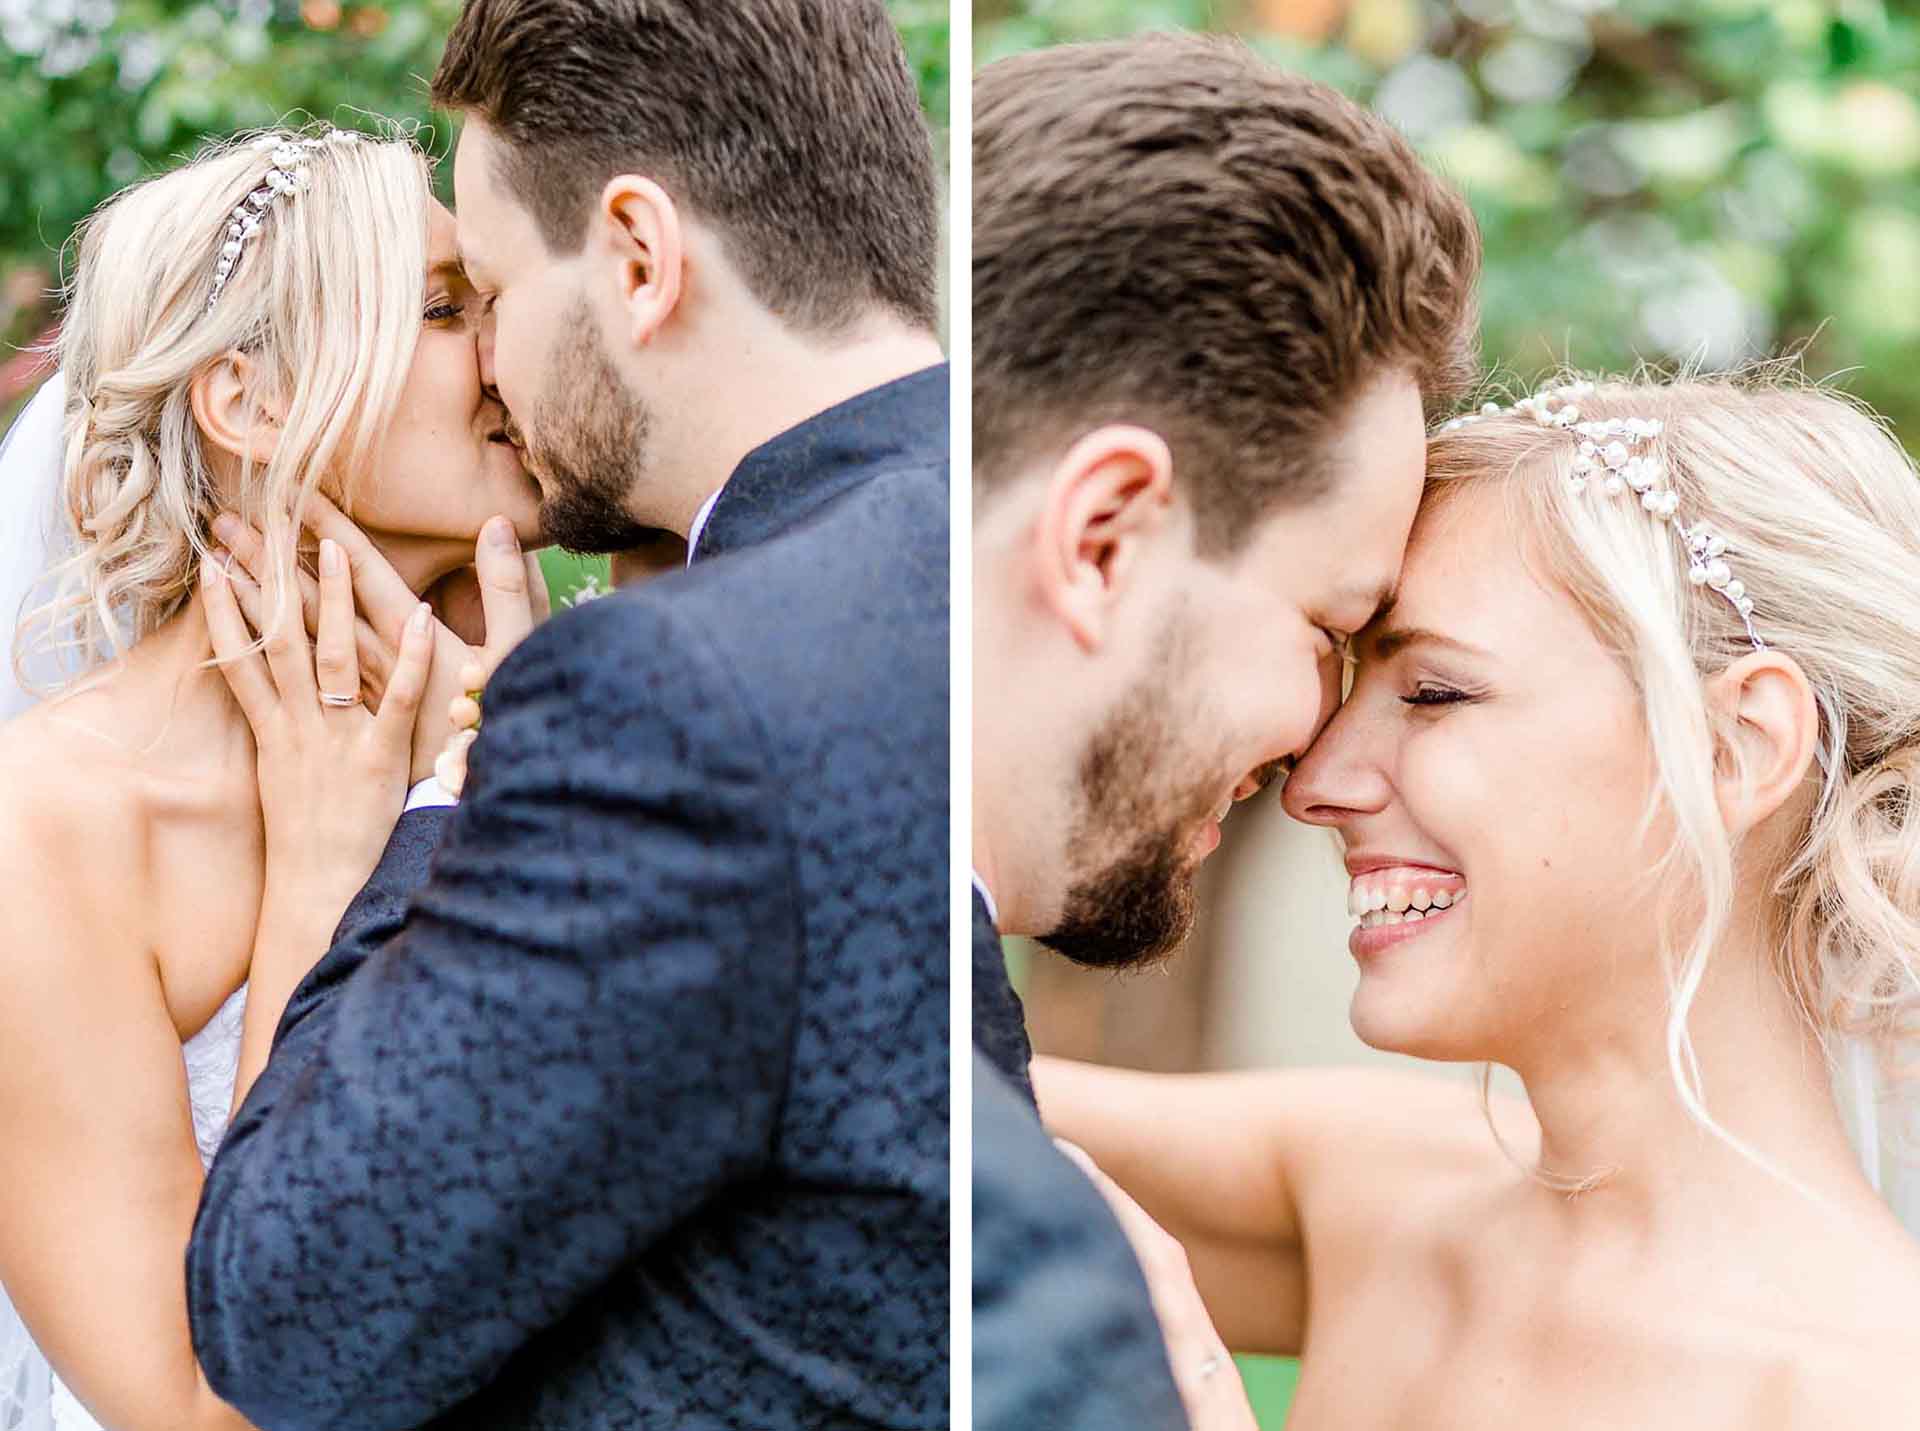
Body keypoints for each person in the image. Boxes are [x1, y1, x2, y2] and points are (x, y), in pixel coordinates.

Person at [184, 2, 951, 1427]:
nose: (491, 361)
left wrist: (441, 795)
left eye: (488, 288)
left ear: (641, 259)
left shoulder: (674, 685)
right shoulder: (935, 540)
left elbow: (287, 1318)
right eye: (445, 307)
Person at [1042, 373, 1920, 1428]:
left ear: (1738, 746)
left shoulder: (1861, 1393)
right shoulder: (1375, 1193)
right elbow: (929, 1090)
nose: (1316, 785)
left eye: (1433, 694)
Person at [969, 31, 1481, 1429]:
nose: (1316, 766)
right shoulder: (1014, 1262)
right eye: (1329, 633)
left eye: (1430, 686)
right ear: (1102, 537)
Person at [0, 124, 542, 1431]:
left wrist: (497, 767)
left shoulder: (521, 713)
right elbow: (211, 1405)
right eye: (443, 307)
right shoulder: (50, 823)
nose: (506, 352)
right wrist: (315, 882)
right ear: (248, 400)